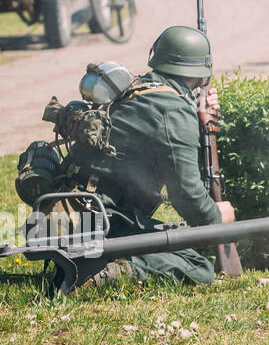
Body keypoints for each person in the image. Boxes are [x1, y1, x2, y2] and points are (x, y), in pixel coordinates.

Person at [70, 26, 235, 289]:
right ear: (201, 74)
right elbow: (187, 195)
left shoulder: (141, 87)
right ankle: (108, 273)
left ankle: (92, 264)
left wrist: (195, 114)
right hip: (104, 219)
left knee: (176, 248)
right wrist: (217, 216)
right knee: (198, 268)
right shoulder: (173, 110)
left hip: (76, 211)